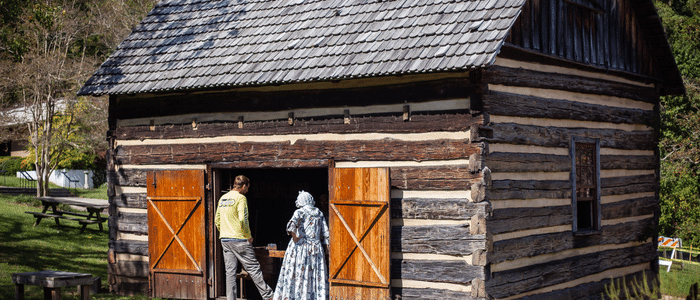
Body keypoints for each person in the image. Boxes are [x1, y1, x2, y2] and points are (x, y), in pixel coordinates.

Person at [215, 175, 274, 300]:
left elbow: (217, 220)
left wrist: (225, 231)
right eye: (247, 187)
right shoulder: (241, 198)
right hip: (240, 239)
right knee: (253, 269)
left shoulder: (223, 198)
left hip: (225, 239)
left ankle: (231, 298)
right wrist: (248, 236)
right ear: (243, 186)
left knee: (230, 272)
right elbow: (243, 219)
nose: (247, 190)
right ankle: (268, 296)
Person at [273, 191, 330, 300]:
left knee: (300, 272)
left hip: (301, 247)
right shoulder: (319, 212)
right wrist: (326, 249)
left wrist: (295, 238)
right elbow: (326, 233)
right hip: (316, 247)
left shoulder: (300, 212)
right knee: (314, 272)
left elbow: (290, 226)